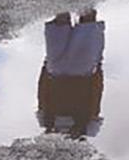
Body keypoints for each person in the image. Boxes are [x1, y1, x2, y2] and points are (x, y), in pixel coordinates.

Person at [36, 8, 105, 138]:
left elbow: (96, 94)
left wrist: (98, 69)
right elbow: (42, 92)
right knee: (61, 22)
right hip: (57, 71)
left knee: (87, 23)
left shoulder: (88, 126)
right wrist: (46, 67)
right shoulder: (46, 121)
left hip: (82, 71)